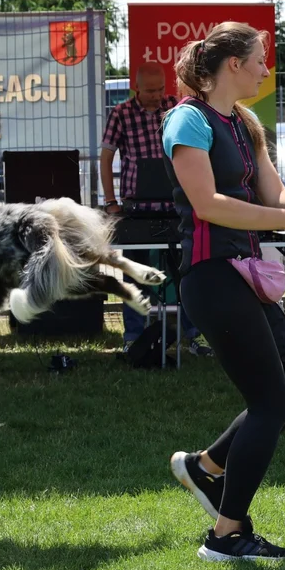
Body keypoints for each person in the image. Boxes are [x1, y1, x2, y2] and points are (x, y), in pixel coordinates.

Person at [160, 22, 285, 562]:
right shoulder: (187, 120)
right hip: (211, 275)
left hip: (245, 273)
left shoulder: (245, 122)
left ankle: (203, 468)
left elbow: (274, 192)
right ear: (232, 65)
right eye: (258, 60)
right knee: (270, 402)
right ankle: (226, 536)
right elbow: (207, 204)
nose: (265, 70)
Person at [99, 62, 210, 357]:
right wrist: (111, 202)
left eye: (161, 89)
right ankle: (134, 336)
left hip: (176, 206)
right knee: (134, 272)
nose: (156, 95)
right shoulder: (120, 114)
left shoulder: (176, 108)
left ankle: (195, 335)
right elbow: (106, 157)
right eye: (150, 91)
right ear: (136, 88)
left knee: (188, 271)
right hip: (137, 209)